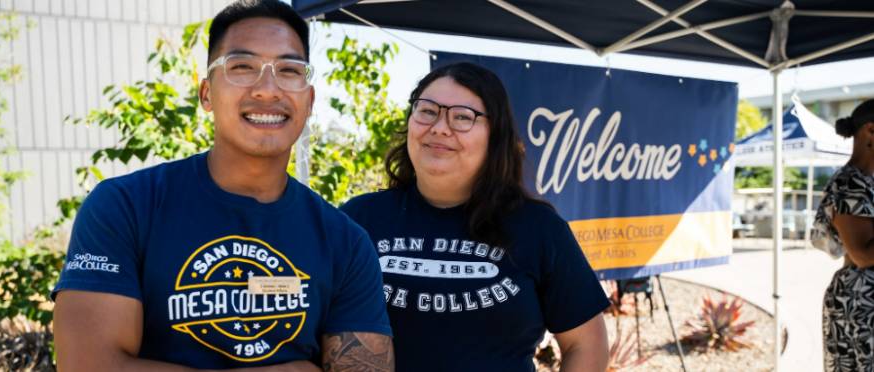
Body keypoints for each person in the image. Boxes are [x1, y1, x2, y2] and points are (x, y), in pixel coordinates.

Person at [52, 1, 393, 371]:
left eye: (289, 70)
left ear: (309, 101)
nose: (267, 89)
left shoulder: (345, 242)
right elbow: (89, 365)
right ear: (206, 94)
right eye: (242, 67)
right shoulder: (125, 206)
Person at [340, 62, 609, 371]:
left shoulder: (540, 228)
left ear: (495, 136)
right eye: (427, 111)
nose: (440, 127)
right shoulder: (358, 220)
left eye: (462, 117)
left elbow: (586, 344)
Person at [812, 98, 874, 372]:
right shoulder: (851, 182)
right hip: (861, 304)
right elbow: (862, 255)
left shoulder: (867, 181)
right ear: (870, 130)